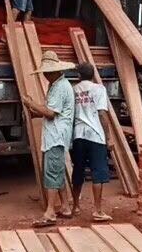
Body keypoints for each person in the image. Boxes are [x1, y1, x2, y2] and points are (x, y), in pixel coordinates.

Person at [22, 51, 76, 227]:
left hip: (56, 136)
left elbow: (51, 113)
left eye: (47, 71)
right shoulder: (57, 85)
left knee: (52, 173)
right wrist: (35, 112)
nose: (45, 75)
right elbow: (52, 112)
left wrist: (31, 104)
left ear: (55, 71)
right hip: (55, 135)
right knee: (57, 171)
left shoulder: (60, 87)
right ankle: (65, 206)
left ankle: (51, 211)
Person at [70, 63, 113, 222]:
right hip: (95, 135)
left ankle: (75, 206)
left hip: (78, 135)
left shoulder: (73, 90)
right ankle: (97, 210)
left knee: (78, 171)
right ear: (93, 74)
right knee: (98, 173)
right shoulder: (99, 89)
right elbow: (102, 113)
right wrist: (108, 137)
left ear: (79, 75)